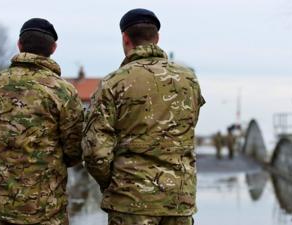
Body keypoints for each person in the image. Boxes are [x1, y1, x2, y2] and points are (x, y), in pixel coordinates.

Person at [82, 8, 205, 225]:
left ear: (125, 38)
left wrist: (113, 183)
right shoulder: (189, 81)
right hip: (179, 201)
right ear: (157, 38)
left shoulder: (113, 83)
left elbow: (95, 153)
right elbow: (188, 128)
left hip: (130, 201)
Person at [0, 18, 84, 225]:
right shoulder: (62, 90)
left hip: (2, 211)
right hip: (46, 212)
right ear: (53, 48)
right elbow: (74, 151)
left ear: (19, 45)